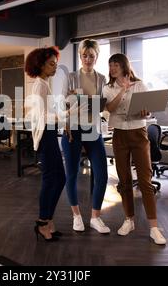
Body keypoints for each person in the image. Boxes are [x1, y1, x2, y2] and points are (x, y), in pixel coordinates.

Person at [102, 53, 166, 245]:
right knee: (124, 180)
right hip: (119, 135)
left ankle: (154, 228)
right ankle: (129, 220)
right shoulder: (107, 88)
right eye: (110, 65)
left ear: (124, 66)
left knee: (145, 180)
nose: (113, 68)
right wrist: (122, 90)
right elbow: (110, 109)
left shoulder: (139, 85)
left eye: (116, 65)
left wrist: (147, 111)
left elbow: (148, 110)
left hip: (139, 133)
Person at [61, 39, 110, 234]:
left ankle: (95, 218)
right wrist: (73, 101)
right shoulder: (71, 77)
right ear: (80, 56)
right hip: (73, 130)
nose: (88, 59)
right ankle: (76, 216)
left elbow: (103, 104)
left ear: (96, 57)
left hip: (93, 130)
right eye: (84, 55)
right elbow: (62, 102)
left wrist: (94, 103)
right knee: (71, 174)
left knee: (102, 175)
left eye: (91, 55)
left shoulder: (101, 79)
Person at [25, 46, 66, 242]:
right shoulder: (40, 85)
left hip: (49, 135)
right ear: (40, 65)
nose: (54, 67)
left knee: (60, 178)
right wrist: (65, 116)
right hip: (45, 137)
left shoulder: (45, 84)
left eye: (55, 64)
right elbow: (42, 116)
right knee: (52, 179)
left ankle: (47, 220)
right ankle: (43, 222)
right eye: (51, 64)